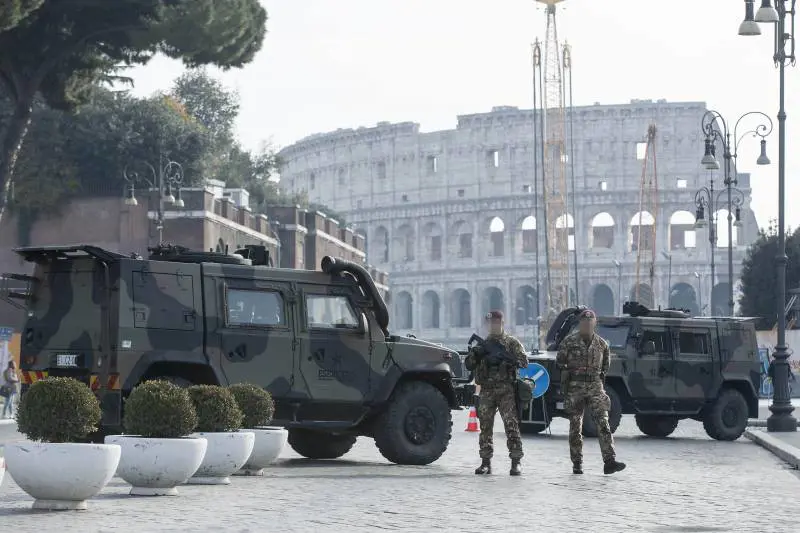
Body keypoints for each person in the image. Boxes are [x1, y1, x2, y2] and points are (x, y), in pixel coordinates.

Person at [556, 309, 626, 475]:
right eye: (584, 323)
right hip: (575, 386)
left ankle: (609, 461)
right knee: (575, 426)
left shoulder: (602, 345)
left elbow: (605, 368)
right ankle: (577, 463)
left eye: (590, 323)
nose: (587, 326)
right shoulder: (569, 342)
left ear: (594, 324)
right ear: (580, 324)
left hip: (595, 386)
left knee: (603, 423)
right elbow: (559, 362)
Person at [465, 310, 528, 476]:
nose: (493, 326)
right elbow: (469, 365)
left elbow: (524, 361)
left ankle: (516, 462)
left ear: (502, 324)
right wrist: (476, 354)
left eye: (496, 323)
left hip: (506, 390)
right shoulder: (482, 344)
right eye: (490, 323)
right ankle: (485, 462)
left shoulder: (511, 343)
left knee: (511, 424)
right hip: (487, 390)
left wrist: (507, 361)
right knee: (485, 426)